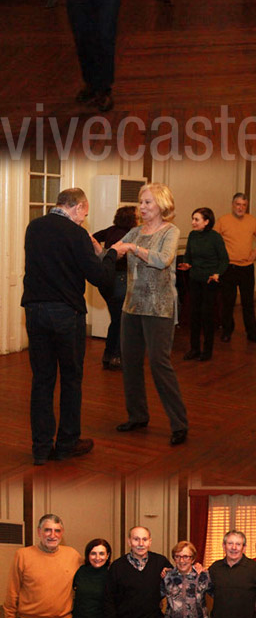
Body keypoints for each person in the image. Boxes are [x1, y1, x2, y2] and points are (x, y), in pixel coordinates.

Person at [21, 187, 126, 466]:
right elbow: (100, 278)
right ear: (77, 208)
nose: (84, 220)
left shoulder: (34, 228)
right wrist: (110, 253)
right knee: (70, 379)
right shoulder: (76, 234)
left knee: (42, 381)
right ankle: (67, 444)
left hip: (34, 311)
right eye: (84, 215)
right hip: (66, 314)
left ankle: (41, 449)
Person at [115, 183, 188, 446]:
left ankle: (179, 423)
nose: (142, 207)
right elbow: (111, 253)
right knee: (131, 363)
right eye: (140, 202)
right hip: (132, 306)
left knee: (159, 364)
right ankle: (137, 416)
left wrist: (133, 248)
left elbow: (163, 260)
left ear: (162, 205)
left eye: (147, 203)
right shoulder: (134, 231)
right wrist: (91, 245)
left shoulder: (171, 231)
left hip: (160, 307)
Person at [215, 193, 256, 345]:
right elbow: (213, 239)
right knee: (228, 303)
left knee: (248, 303)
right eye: (238, 204)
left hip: (247, 268)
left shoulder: (252, 221)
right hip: (229, 268)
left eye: (244, 205)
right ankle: (226, 331)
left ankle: (252, 333)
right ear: (233, 205)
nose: (241, 207)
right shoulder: (223, 221)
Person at [178, 207, 229, 361]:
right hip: (195, 279)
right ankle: (194, 349)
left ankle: (207, 350)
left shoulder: (215, 238)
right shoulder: (193, 236)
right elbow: (188, 256)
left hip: (209, 281)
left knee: (207, 316)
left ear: (207, 222)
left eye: (197, 219)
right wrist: (187, 264)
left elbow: (224, 260)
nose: (193, 222)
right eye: (192, 219)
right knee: (194, 314)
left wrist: (217, 273)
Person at [93, 205, 138, 370]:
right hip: (120, 280)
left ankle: (108, 354)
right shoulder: (129, 234)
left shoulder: (111, 230)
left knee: (116, 319)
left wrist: (101, 254)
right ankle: (116, 356)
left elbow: (91, 237)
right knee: (120, 321)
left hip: (108, 280)